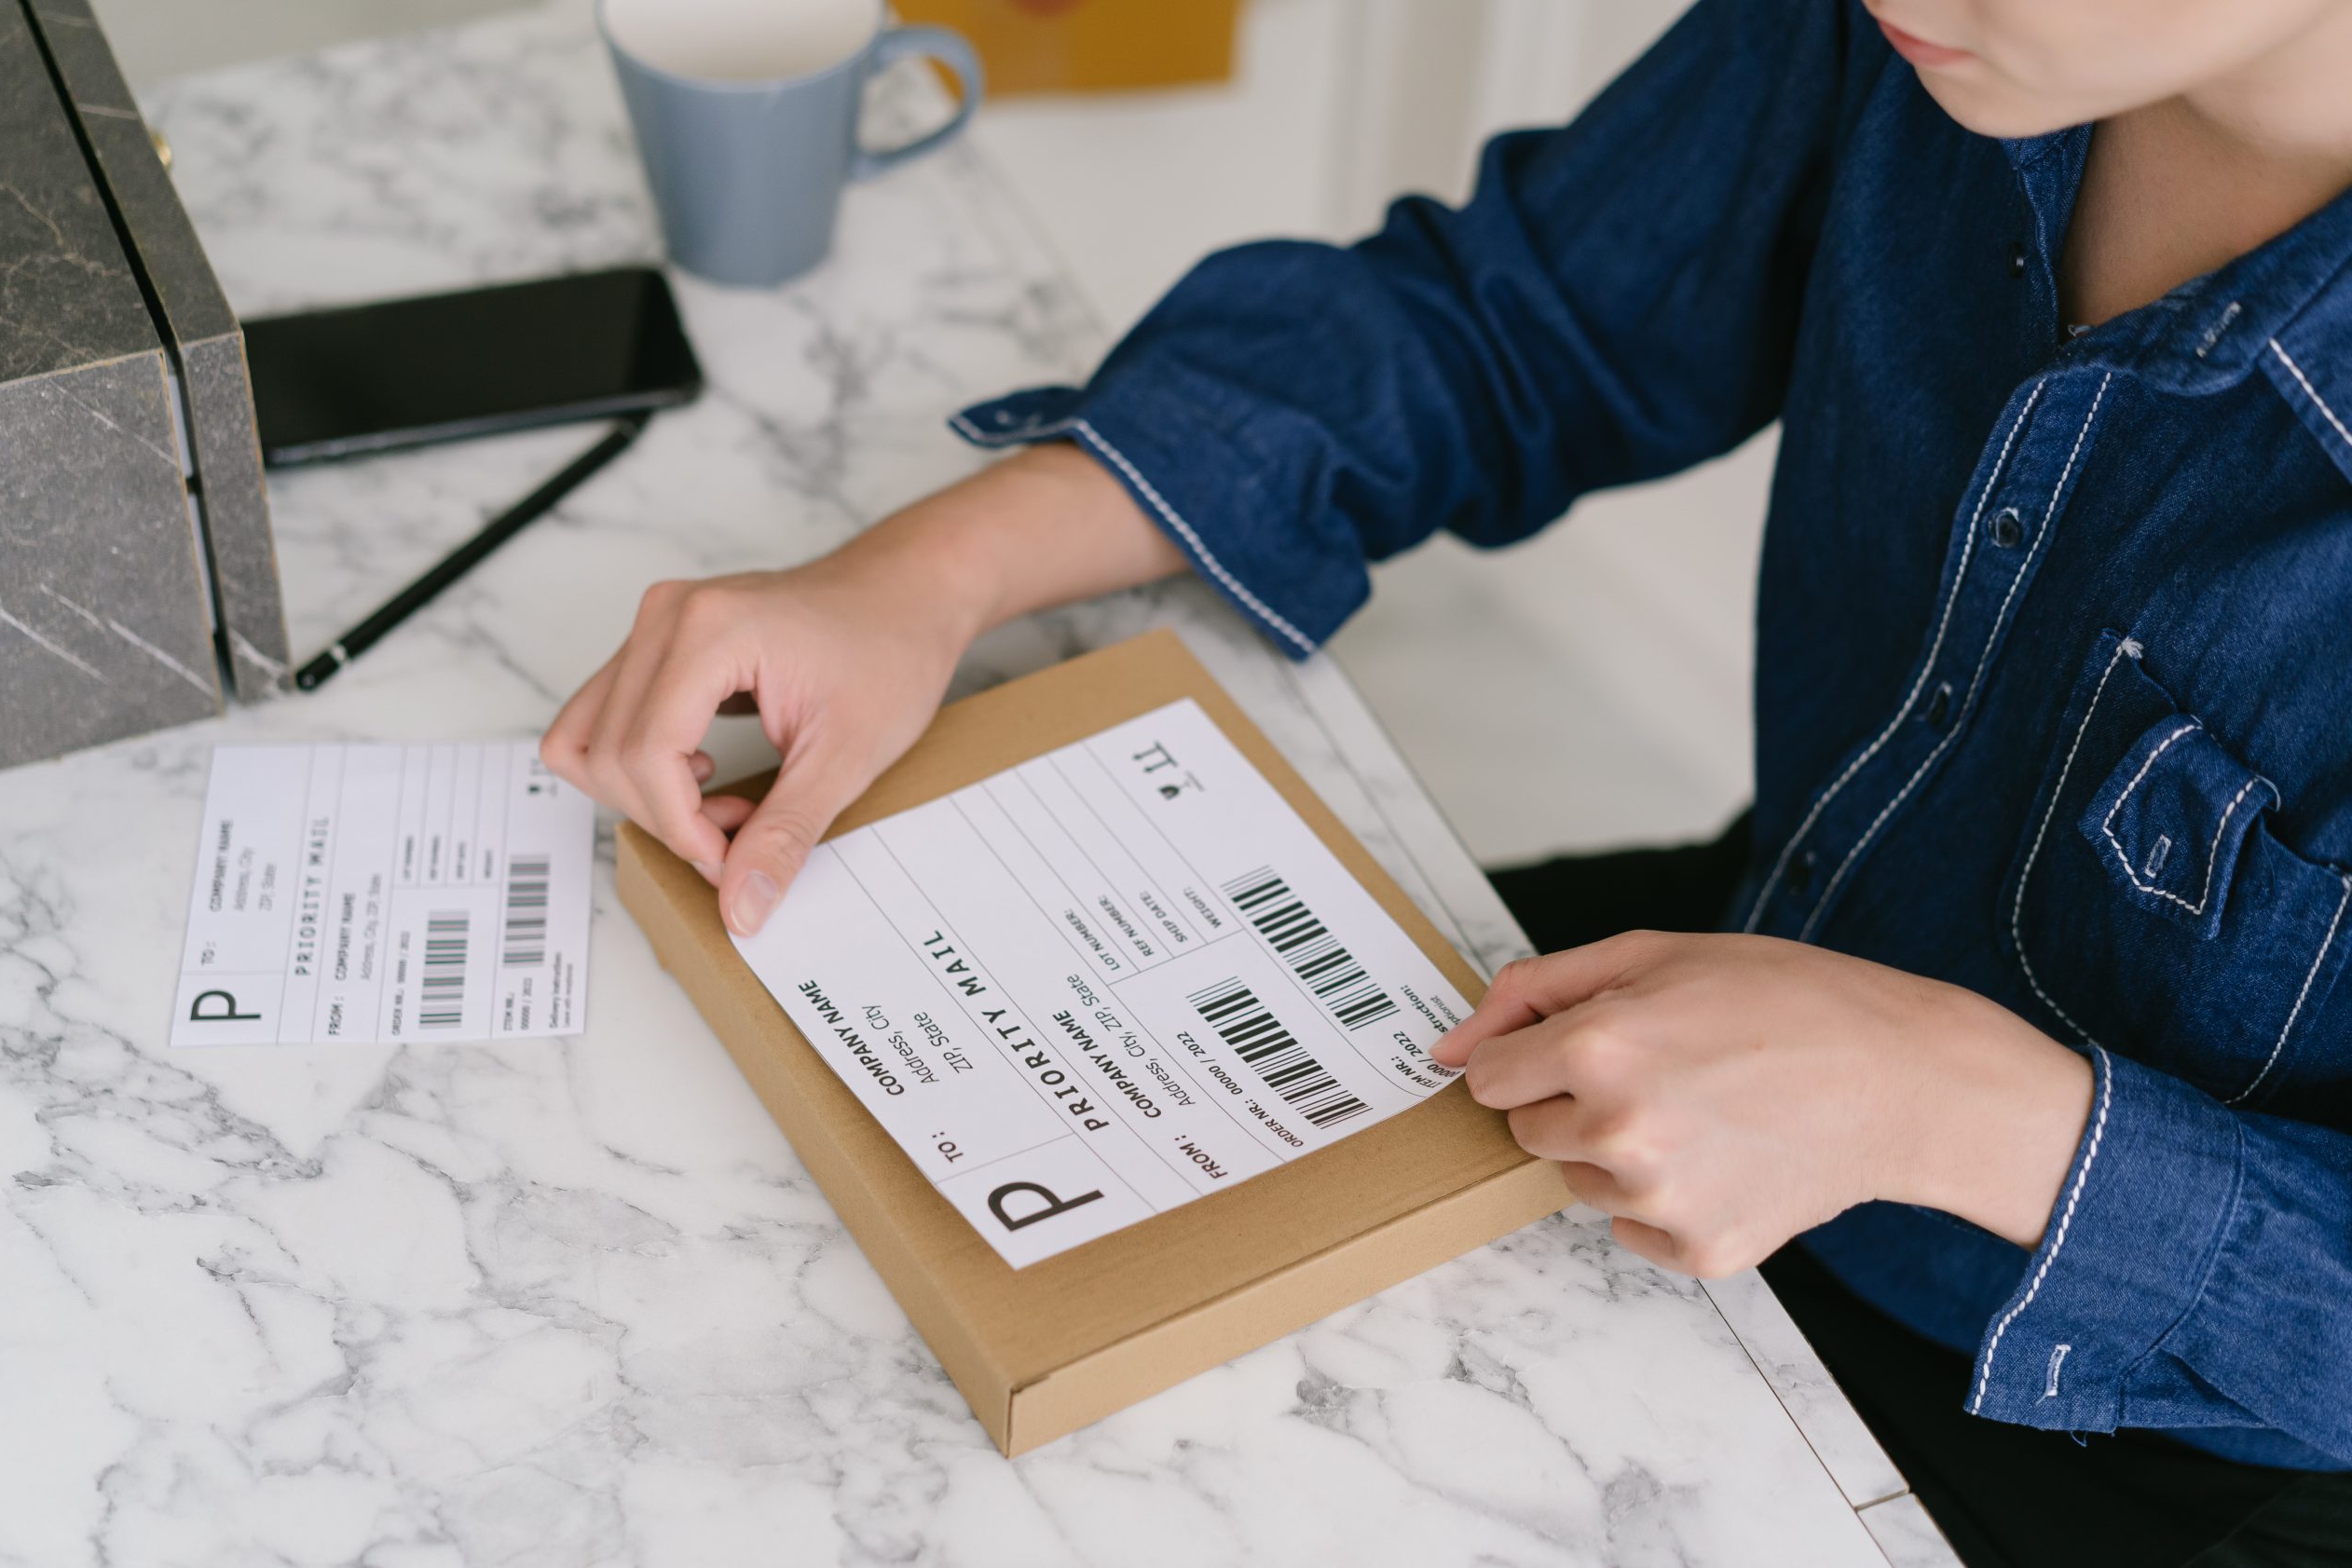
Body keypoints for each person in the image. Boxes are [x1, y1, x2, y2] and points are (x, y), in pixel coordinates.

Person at [540, 0, 2352, 1560]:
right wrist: (928, 573)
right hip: (1738, 953)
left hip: (2150, 1438)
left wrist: (1953, 1106)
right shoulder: (1930, 44)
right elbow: (1527, 313)